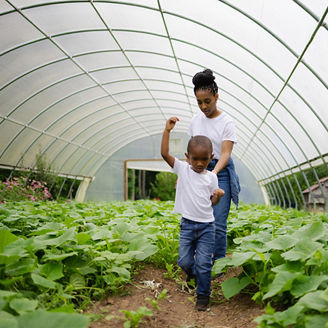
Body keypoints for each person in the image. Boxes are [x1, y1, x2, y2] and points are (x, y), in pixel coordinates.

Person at [161, 116, 225, 311]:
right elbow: (164, 154)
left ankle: (203, 296)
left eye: (204, 159)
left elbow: (212, 202)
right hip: (187, 225)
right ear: (187, 156)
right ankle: (192, 274)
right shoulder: (182, 169)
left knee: (205, 262)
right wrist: (167, 131)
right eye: (195, 158)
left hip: (207, 226)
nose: (199, 163)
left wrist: (218, 196)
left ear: (211, 157)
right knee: (184, 261)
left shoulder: (212, 178)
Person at [189, 69, 240, 264]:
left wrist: (213, 174)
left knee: (218, 222)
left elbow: (226, 153)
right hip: (198, 169)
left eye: (207, 101)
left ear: (216, 97)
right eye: (199, 102)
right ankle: (199, 259)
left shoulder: (226, 122)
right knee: (196, 218)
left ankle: (218, 263)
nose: (203, 106)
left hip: (221, 171)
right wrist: (188, 174)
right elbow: (193, 150)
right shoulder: (195, 121)